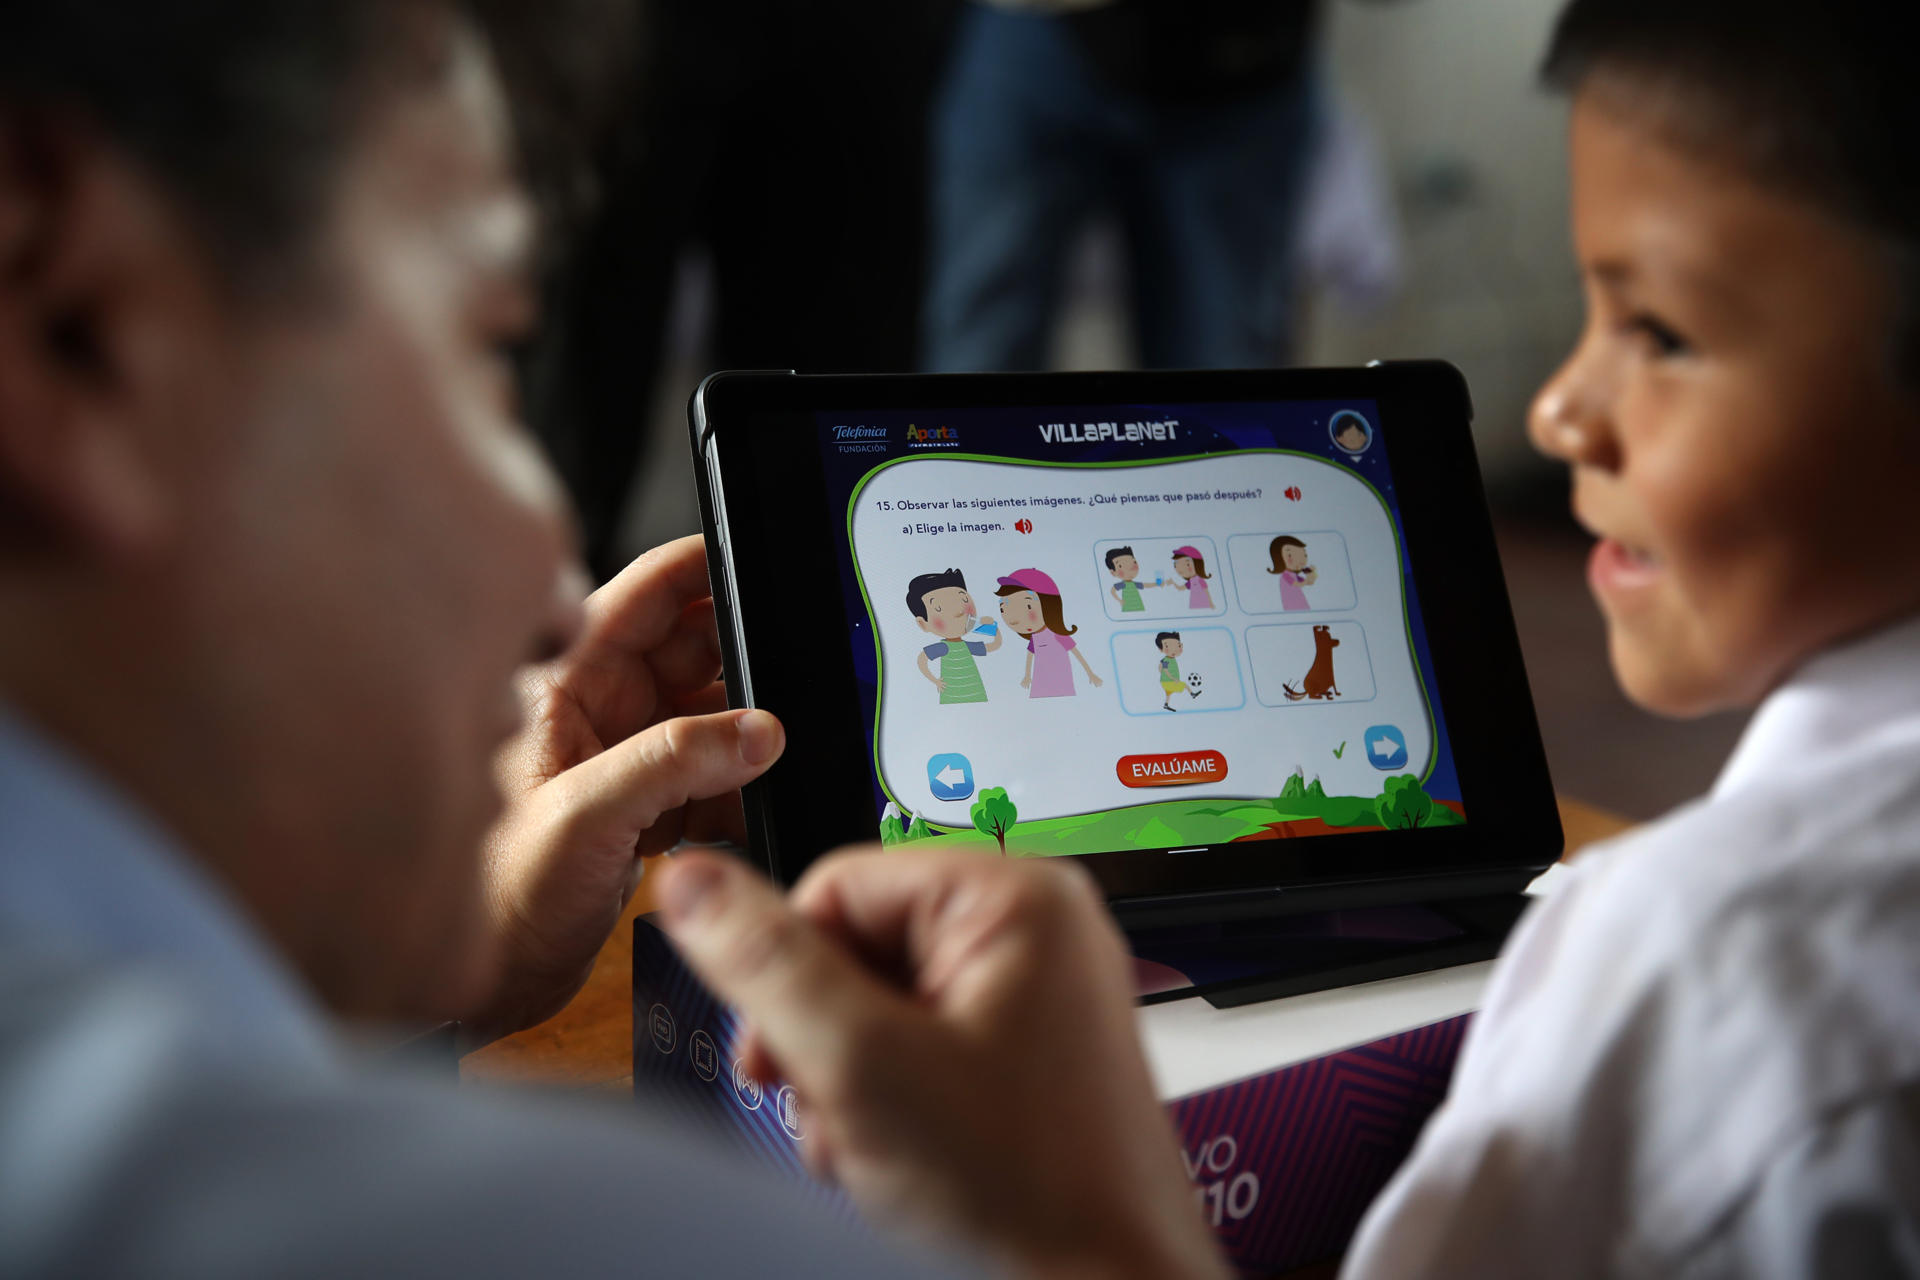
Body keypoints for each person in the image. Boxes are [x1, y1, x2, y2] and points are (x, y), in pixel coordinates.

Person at [0, 4, 1224, 1277]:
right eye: (489, 351)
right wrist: (1087, 1235)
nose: (557, 588)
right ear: (77, 323)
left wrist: (446, 969)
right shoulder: (579, 1234)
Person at [995, 568, 1105, 698]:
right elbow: (1030, 655)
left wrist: (1090, 673)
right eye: (1003, 609)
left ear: (1048, 605)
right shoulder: (1035, 637)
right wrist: (1027, 676)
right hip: (1041, 676)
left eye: (1028, 606)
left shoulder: (1057, 634)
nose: (1013, 618)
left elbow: (1076, 653)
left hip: (1060, 677)